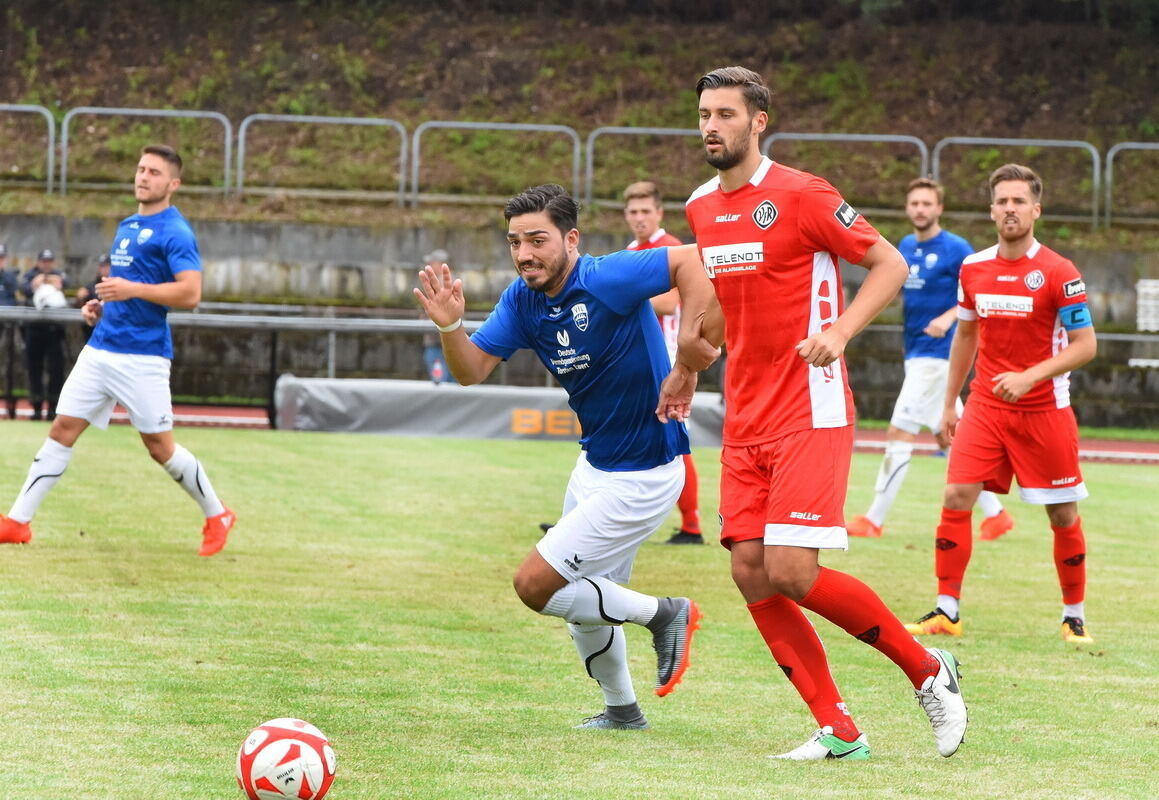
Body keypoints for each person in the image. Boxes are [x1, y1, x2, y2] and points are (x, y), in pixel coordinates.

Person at [660, 66, 968, 761]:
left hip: (810, 409)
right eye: (703, 114)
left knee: (793, 570)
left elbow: (887, 264)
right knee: (748, 569)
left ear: (758, 121)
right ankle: (838, 729)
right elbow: (720, 305)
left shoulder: (802, 195)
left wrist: (839, 332)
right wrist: (687, 361)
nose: (711, 126)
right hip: (743, 415)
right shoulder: (702, 206)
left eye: (725, 115)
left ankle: (928, 670)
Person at [413, 183, 710, 730]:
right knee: (588, 603)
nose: (525, 254)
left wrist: (688, 357)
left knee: (535, 585)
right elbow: (470, 370)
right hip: (592, 466)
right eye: (514, 242)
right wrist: (451, 325)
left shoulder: (607, 277)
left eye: (538, 240)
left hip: (643, 476)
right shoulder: (523, 301)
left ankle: (666, 614)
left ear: (571, 239)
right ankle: (622, 711)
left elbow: (695, 261)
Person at [0, 144, 236, 556]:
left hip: (143, 357)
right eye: (141, 169)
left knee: (160, 447)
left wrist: (130, 290)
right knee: (62, 430)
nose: (144, 177)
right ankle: (18, 522)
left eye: (155, 172)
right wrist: (101, 308)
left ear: (173, 184)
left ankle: (217, 514)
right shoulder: (127, 226)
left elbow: (191, 293)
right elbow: (124, 292)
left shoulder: (176, 232)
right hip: (101, 348)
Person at [904, 164, 1097, 644]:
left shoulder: (1059, 272)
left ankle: (1074, 614)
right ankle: (947, 609)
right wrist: (950, 403)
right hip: (986, 407)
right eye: (1002, 201)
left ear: (1036, 209)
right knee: (955, 497)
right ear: (991, 210)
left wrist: (1030, 377)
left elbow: (1085, 344)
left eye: (1019, 201)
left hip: (1045, 411)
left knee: (1062, 515)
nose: (1010, 209)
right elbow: (966, 334)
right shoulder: (974, 268)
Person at [848, 178, 1014, 540]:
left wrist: (950, 316)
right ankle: (996, 514)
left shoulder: (956, 249)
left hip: (939, 358)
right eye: (914, 204)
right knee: (954, 436)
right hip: (916, 354)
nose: (920, 209)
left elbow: (982, 293)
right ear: (907, 209)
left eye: (927, 203)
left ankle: (873, 519)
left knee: (899, 432)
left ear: (939, 208)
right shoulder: (906, 246)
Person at [623, 180, 704, 545]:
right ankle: (602, 515)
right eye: (633, 212)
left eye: (645, 211)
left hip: (668, 358)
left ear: (659, 214)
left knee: (672, 439)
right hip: (637, 355)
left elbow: (669, 304)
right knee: (630, 435)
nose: (639, 218)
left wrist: (617, 294)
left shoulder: (671, 248)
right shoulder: (631, 249)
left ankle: (692, 525)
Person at [19, 248, 70, 421]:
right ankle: (37, 406)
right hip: (34, 329)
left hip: (54, 330)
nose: (46, 265)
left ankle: (53, 407)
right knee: (34, 368)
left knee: (56, 369)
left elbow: (67, 286)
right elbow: (23, 289)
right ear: (39, 262)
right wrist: (35, 284)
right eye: (43, 261)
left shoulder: (59, 275)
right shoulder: (30, 275)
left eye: (49, 261)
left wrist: (58, 285)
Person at [419, 249, 452, 384]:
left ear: (440, 264)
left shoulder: (440, 284)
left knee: (440, 381)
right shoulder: (452, 281)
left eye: (432, 263)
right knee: (452, 380)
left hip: (437, 342)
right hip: (450, 342)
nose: (429, 266)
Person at [0, 243, 20, 419]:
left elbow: (12, 299)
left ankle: (9, 405)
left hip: (7, 328)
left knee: (8, 367)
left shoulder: (9, 277)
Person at [75, 252, 112, 343]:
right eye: (101, 266)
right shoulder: (92, 286)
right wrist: (80, 297)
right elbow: (80, 305)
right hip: (94, 329)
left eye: (106, 266)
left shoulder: (118, 285)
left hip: (111, 327)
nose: (102, 269)